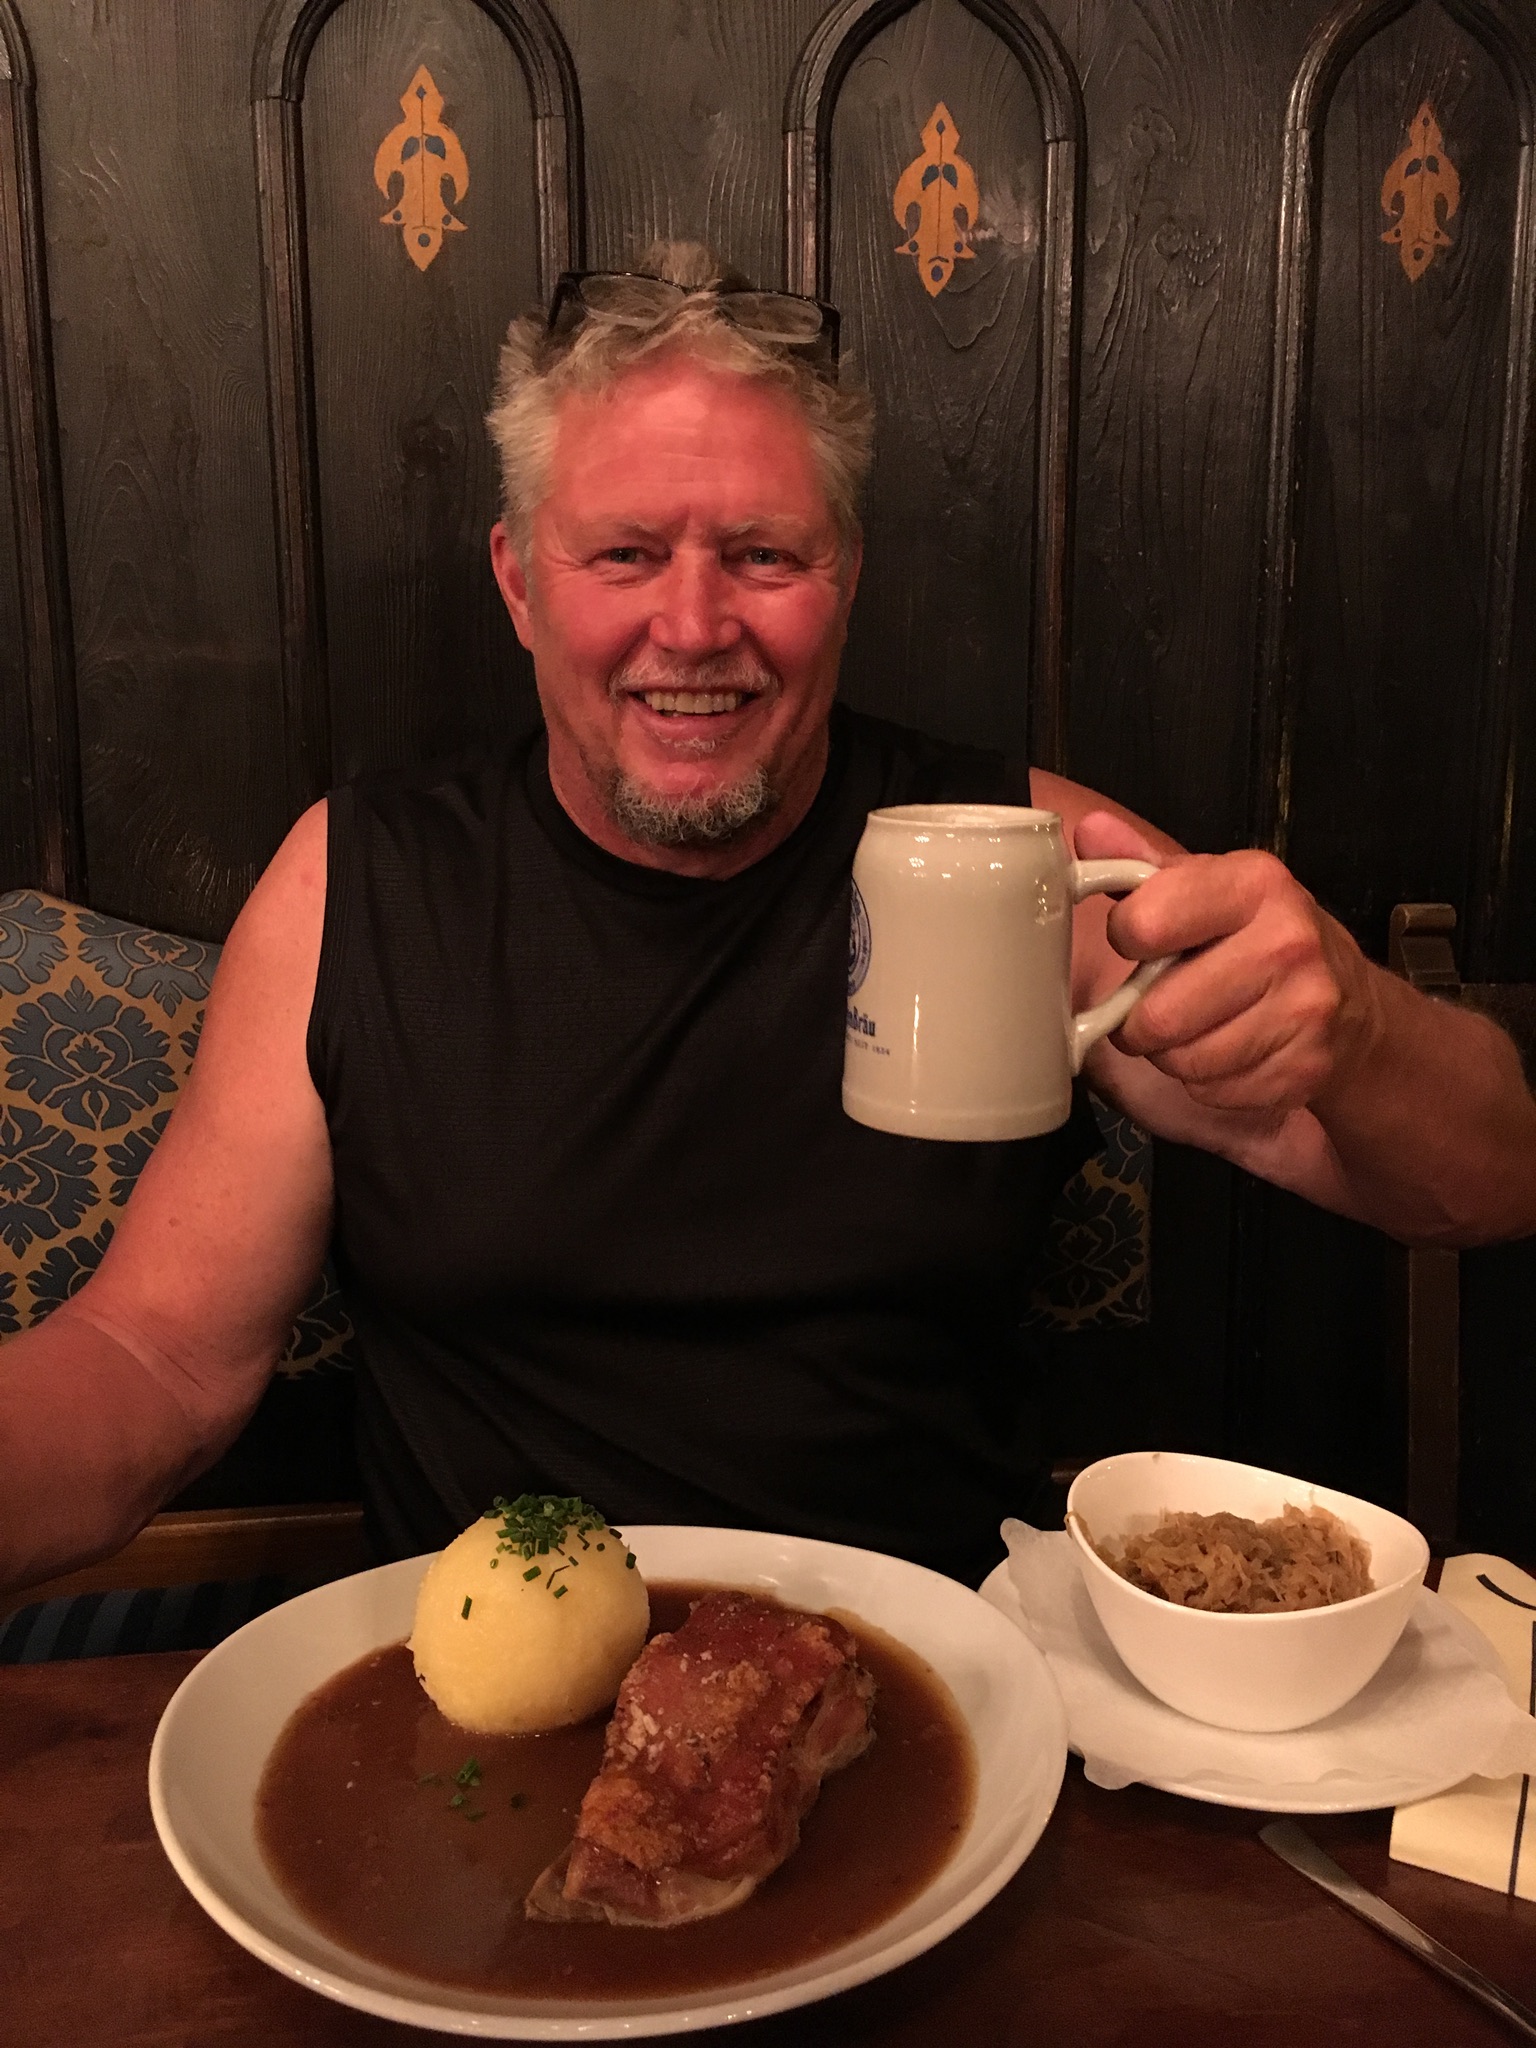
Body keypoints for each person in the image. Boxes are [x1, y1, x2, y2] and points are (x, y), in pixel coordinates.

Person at [3, 246, 1534, 1595]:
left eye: (763, 555)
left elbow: (1491, 1179)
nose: (693, 626)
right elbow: (154, 1361)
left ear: (844, 579)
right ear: (521, 583)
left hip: (941, 1702)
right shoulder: (356, 882)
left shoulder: (1023, 860)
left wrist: (1356, 1024)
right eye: (624, 554)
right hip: (484, 1722)